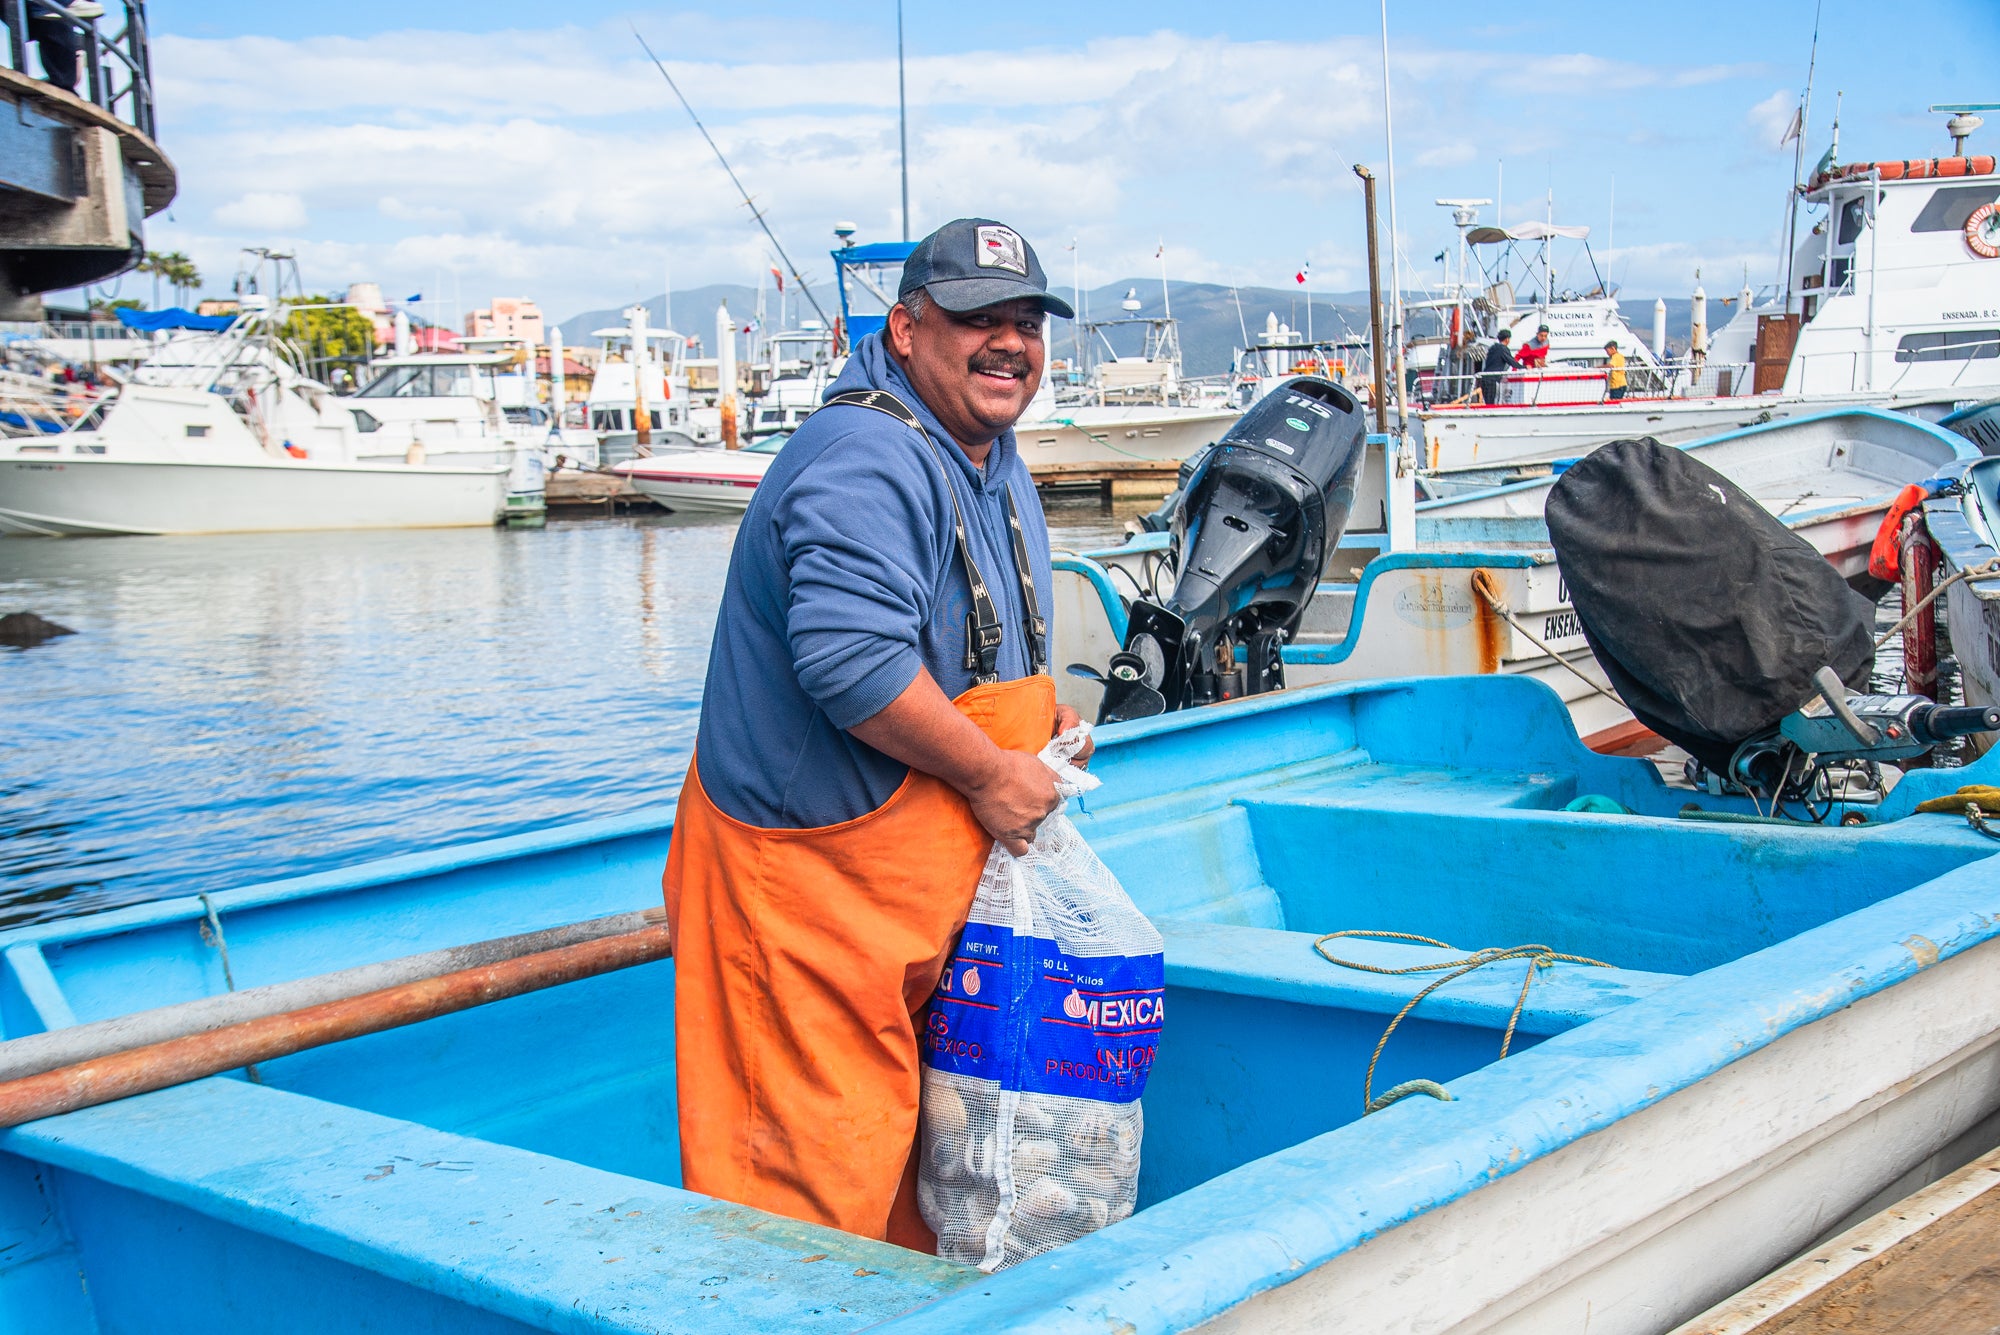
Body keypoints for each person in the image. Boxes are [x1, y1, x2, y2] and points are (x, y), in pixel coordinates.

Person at [664, 217, 1081, 1251]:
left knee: (906, 1177)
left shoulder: (986, 449)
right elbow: (850, 664)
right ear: (904, 329)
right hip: (806, 898)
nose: (1007, 343)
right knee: (799, 1205)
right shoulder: (863, 454)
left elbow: (963, 644)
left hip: (915, 899)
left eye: (1025, 321)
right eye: (976, 318)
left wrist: (1040, 719)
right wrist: (991, 769)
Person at [1478, 328, 1518, 405]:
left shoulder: (1492, 348)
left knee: (1488, 402)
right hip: (1494, 380)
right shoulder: (1503, 349)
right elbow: (1510, 362)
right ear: (1507, 339)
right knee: (1494, 401)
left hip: (1485, 378)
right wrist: (1524, 367)